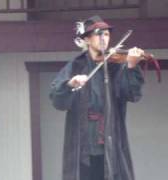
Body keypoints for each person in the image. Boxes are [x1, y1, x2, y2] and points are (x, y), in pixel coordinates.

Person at [49, 15, 145, 180]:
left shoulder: (116, 66)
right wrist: (70, 84)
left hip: (111, 136)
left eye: (107, 34)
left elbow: (132, 94)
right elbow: (57, 99)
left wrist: (130, 66)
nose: (104, 38)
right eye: (99, 34)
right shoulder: (75, 65)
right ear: (86, 39)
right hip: (83, 139)